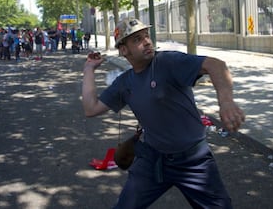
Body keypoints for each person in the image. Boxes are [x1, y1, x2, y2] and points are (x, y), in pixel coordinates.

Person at [82, 18, 245, 208]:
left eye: (146, 36)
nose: (146, 42)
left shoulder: (168, 62)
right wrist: (89, 69)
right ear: (124, 50)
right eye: (137, 39)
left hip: (194, 161)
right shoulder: (125, 83)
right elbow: (91, 108)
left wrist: (226, 102)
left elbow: (216, 65)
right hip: (153, 160)